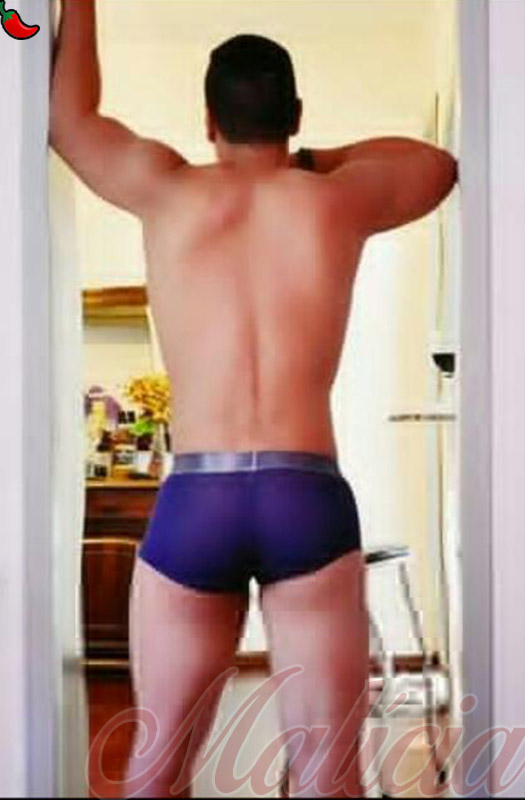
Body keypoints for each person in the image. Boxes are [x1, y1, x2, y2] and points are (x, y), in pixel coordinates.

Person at [50, 2, 458, 797]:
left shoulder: (164, 188)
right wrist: (307, 161)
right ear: (294, 116)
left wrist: (78, 3)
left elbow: (70, 121)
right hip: (304, 494)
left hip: (196, 496)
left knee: (155, 773)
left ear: (207, 119)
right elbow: (435, 166)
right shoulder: (334, 198)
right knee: (328, 778)